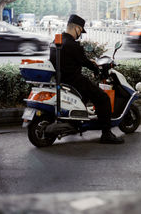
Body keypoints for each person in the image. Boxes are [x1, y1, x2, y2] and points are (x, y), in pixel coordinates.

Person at [50, 14, 124, 144]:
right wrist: (96, 69)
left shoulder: (56, 41)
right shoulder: (73, 44)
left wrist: (85, 62)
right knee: (103, 98)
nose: (80, 35)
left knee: (87, 95)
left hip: (61, 80)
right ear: (77, 29)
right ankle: (106, 134)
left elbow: (72, 59)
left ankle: (77, 124)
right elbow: (84, 62)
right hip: (74, 80)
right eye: (81, 31)